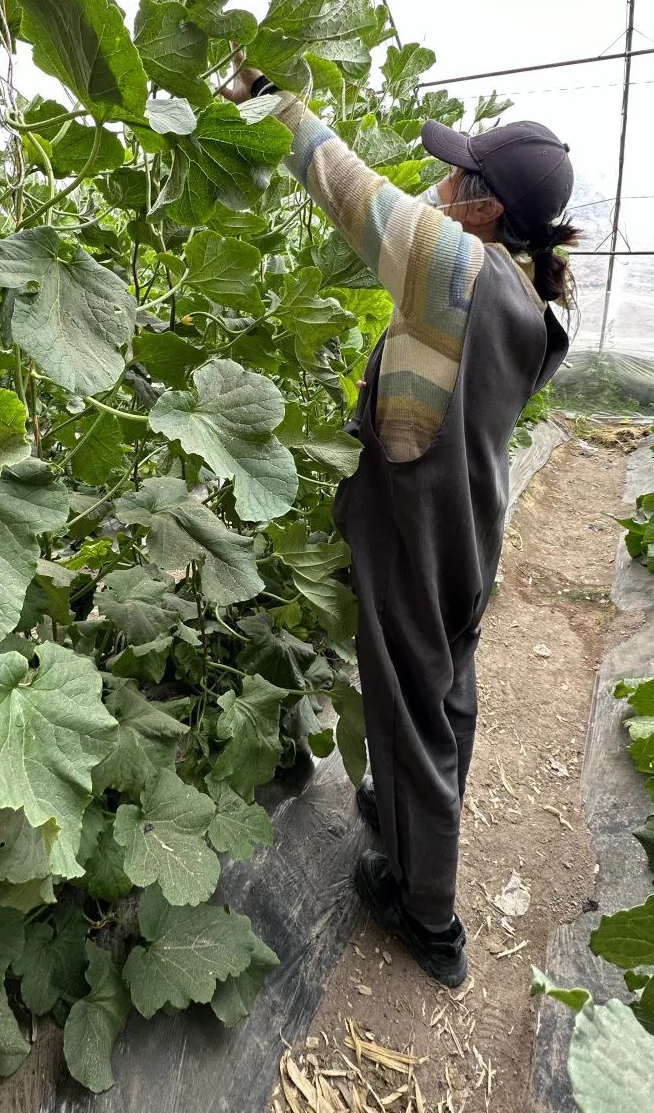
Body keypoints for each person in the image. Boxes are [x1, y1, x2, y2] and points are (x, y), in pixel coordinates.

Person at [223, 65, 577, 986]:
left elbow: (346, 185)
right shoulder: (530, 303)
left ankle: (429, 919)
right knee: (445, 688)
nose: (444, 181)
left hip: (415, 523)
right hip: (468, 522)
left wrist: (269, 100)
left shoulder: (451, 266)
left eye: (460, 174)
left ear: (487, 209)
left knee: (408, 700)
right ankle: (412, 813)